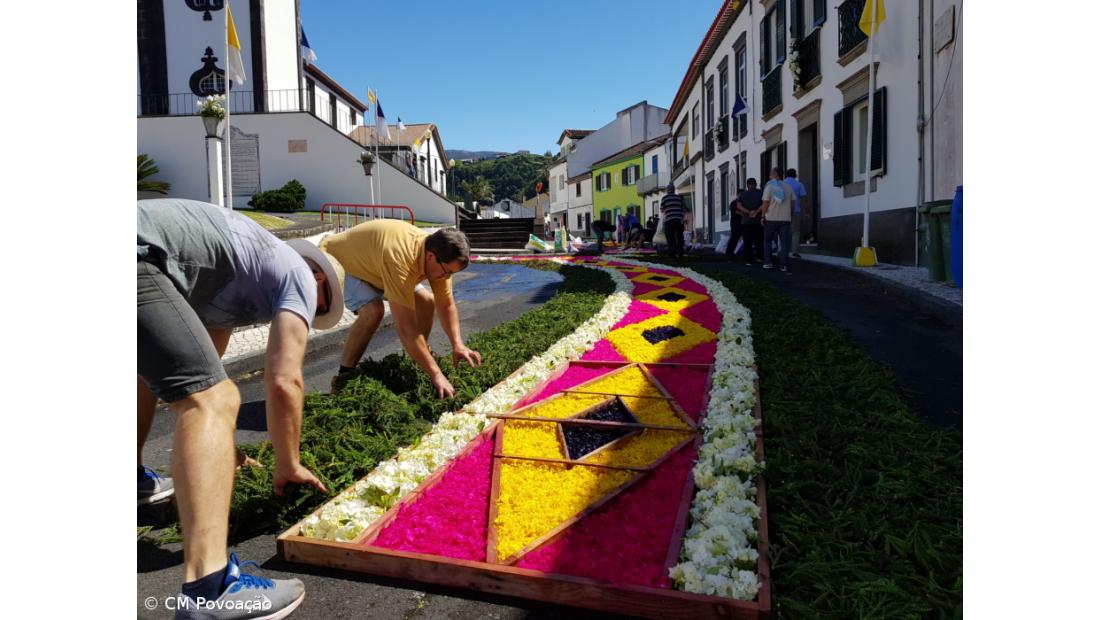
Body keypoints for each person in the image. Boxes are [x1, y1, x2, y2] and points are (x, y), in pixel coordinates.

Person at [138, 198, 345, 618]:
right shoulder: (297, 275)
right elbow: (284, 379)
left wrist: (221, 451)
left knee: (153, 379)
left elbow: (197, 375)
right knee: (215, 400)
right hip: (136, 253)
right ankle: (209, 589)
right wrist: (287, 463)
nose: (313, 313)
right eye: (320, 307)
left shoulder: (234, 281)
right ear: (319, 278)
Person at [321, 220, 482, 397]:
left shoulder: (438, 258)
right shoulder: (401, 259)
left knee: (427, 301)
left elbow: (446, 304)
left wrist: (457, 345)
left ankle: (419, 357)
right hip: (349, 265)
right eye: (447, 272)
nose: (447, 277)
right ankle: (343, 377)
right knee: (374, 312)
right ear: (430, 257)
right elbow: (406, 329)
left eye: (452, 273)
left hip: (379, 266)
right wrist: (436, 374)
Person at [760, 168, 795, 273]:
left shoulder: (770, 187)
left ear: (774, 175)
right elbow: (793, 204)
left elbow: (765, 203)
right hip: (785, 219)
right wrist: (790, 215)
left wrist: (762, 216)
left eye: (770, 175)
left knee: (767, 241)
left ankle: (768, 263)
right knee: (784, 243)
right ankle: (783, 265)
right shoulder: (789, 188)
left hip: (771, 218)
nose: (770, 177)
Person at [735, 178, 764, 265]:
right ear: (756, 184)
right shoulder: (761, 193)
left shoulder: (743, 194)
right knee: (759, 240)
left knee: (748, 242)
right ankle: (759, 257)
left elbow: (738, 206)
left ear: (747, 185)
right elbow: (764, 204)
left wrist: (748, 212)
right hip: (758, 221)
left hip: (746, 221)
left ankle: (748, 260)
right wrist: (756, 211)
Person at [784, 168, 809, 258]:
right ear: (795, 175)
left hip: (783, 212)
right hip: (796, 210)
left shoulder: (782, 184)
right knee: (795, 232)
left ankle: (782, 250)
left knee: (782, 231)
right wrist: (806, 212)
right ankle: (795, 252)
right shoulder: (799, 184)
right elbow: (804, 199)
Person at [660, 183, 686, 258]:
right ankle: (680, 252)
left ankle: (672, 252)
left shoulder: (664, 198)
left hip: (669, 220)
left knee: (670, 236)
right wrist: (681, 217)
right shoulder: (679, 198)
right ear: (674, 190)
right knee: (680, 236)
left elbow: (662, 210)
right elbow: (683, 209)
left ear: (667, 190)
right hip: (679, 220)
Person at [725, 188, 745, 257]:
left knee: (746, 237)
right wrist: (744, 213)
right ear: (738, 195)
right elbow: (735, 211)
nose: (742, 196)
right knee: (734, 238)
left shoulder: (744, 203)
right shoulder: (733, 203)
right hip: (735, 223)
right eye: (741, 194)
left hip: (744, 223)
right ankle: (729, 252)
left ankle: (745, 253)